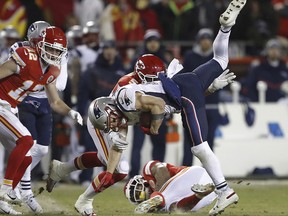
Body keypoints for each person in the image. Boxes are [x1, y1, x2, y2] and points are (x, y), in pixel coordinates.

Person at [87, 0, 245, 215]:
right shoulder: (127, 104)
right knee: (221, 60)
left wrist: (154, 127)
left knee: (199, 147)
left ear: (109, 109)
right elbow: (171, 100)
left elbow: (160, 103)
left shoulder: (124, 97)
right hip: (188, 83)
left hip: (184, 93)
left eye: (109, 121)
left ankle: (224, 191)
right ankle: (226, 27)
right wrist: (210, 88)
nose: (112, 125)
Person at [0, 25, 83, 214]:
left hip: (9, 108)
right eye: (50, 48)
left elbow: (55, 102)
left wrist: (70, 112)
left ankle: (4, 200)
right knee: (27, 140)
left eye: (57, 51)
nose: (53, 53)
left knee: (26, 157)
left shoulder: (52, 70)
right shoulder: (25, 56)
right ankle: (6, 190)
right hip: (1, 103)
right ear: (40, 44)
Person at [128, 29, 169, 178]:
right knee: (138, 145)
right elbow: (130, 82)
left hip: (159, 108)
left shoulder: (166, 60)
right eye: (150, 41)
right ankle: (134, 174)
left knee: (159, 144)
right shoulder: (137, 61)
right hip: (141, 109)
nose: (153, 44)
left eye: (155, 41)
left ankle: (158, 175)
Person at [181, 28, 222, 166]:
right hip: (193, 105)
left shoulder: (217, 56)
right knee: (190, 142)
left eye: (208, 39)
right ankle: (185, 171)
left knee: (209, 142)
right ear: (199, 41)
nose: (206, 42)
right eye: (203, 39)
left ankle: (209, 173)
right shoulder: (190, 57)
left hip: (212, 104)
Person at [124, 160, 217, 213]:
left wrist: (158, 193)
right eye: (140, 196)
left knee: (165, 201)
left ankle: (158, 198)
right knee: (175, 208)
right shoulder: (157, 207)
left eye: (139, 190)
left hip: (192, 176)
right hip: (210, 194)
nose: (143, 194)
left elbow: (162, 171)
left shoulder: (147, 170)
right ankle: (199, 195)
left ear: (142, 181)